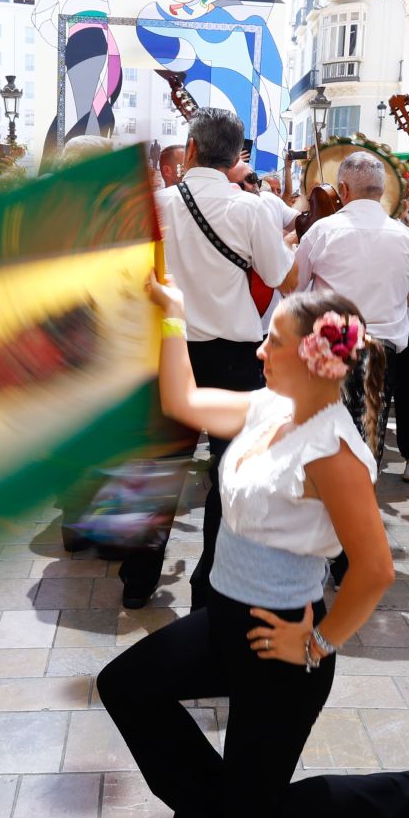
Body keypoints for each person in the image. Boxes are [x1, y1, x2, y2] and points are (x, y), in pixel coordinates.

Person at [95, 281, 409, 818]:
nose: (260, 352)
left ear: (314, 358)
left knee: (255, 817)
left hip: (281, 643)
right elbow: (184, 401)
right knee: (125, 686)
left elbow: (375, 569)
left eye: (272, 342)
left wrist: (317, 644)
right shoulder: (270, 407)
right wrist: (174, 317)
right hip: (225, 620)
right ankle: (205, 804)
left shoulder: (331, 450)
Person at [142, 107, 298, 609]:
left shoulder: (158, 205)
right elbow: (281, 277)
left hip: (171, 349)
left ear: (189, 150)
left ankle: (139, 578)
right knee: (229, 474)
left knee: (160, 469)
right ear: (236, 159)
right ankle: (209, 584)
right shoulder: (249, 209)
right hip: (234, 359)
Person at [293, 150, 409, 482]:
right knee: (366, 440)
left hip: (333, 343)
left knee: (325, 437)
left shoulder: (322, 231)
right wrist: (396, 298)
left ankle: (326, 513)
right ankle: (355, 518)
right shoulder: (404, 236)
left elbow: (295, 287)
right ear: (381, 189)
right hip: (380, 347)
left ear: (343, 189)